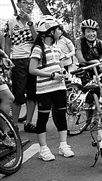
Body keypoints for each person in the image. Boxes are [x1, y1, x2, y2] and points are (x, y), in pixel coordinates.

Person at [29, 15, 74, 161]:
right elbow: (32, 70)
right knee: (43, 118)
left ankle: (63, 145)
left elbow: (60, 66)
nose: (60, 31)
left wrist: (63, 73)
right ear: (49, 32)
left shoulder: (56, 48)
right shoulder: (38, 49)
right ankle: (43, 149)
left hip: (59, 87)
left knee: (61, 115)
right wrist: (51, 75)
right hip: (44, 89)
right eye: (57, 29)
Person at [4, 0, 37, 133]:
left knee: (32, 93)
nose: (29, 5)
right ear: (18, 4)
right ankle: (14, 125)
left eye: (31, 3)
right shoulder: (11, 21)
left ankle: (28, 123)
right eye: (25, 3)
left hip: (33, 59)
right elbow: (7, 43)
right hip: (17, 60)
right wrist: (7, 60)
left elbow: (37, 40)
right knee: (17, 94)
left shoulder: (36, 20)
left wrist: (30, 23)